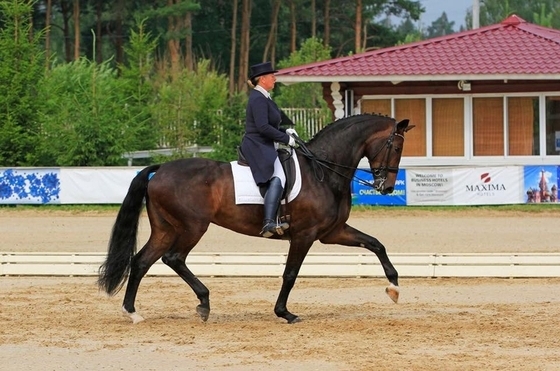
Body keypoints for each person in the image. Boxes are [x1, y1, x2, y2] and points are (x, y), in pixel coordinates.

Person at [240, 61, 298, 238]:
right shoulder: (257, 98)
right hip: (257, 144)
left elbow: (270, 125)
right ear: (262, 79)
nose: (275, 78)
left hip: (265, 142)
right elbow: (263, 127)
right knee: (278, 176)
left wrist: (285, 131)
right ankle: (268, 222)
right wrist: (285, 139)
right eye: (272, 76)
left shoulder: (265, 97)